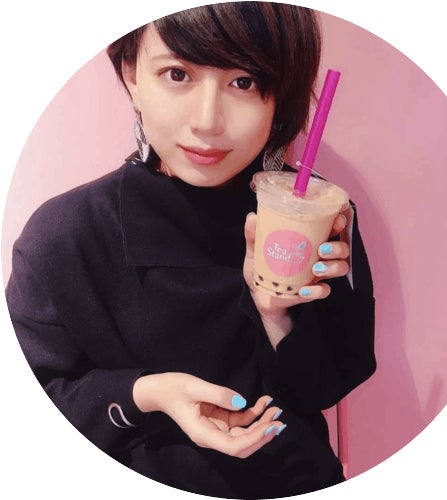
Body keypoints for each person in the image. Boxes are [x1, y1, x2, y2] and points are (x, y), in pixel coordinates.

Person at [5, 3, 376, 498]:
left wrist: (277, 317)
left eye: (243, 81)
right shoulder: (65, 237)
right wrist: (146, 394)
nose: (207, 121)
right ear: (131, 72)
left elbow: (328, 386)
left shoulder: (315, 215)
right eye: (177, 74)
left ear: (280, 93)